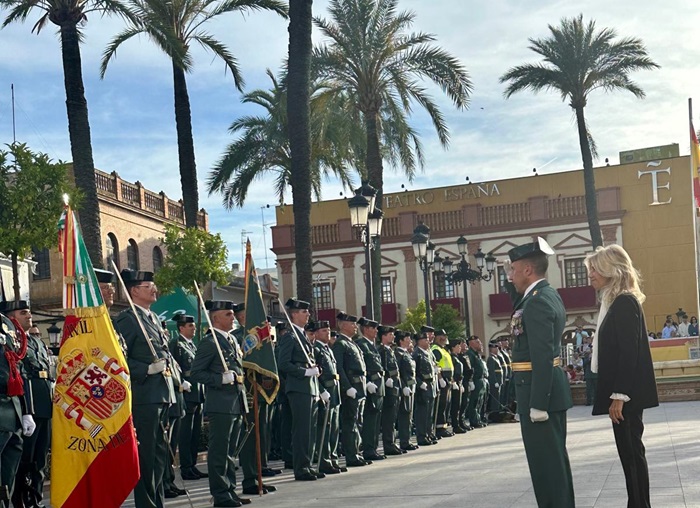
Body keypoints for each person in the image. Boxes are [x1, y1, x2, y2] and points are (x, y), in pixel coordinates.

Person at [586, 244, 658, 508]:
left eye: (594, 268)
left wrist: (619, 396)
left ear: (610, 270)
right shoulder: (613, 302)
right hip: (622, 394)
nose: (590, 274)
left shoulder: (624, 302)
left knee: (632, 454)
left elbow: (629, 352)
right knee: (629, 454)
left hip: (625, 396)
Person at [507, 237, 574, 508]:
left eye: (512, 269)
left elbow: (543, 356)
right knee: (553, 463)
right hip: (544, 390)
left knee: (546, 467)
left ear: (527, 270)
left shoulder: (536, 302)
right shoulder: (546, 294)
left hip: (538, 393)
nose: (509, 276)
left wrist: (537, 403)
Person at [115, 270, 177, 508]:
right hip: (144, 397)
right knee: (148, 456)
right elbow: (119, 359)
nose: (154, 289)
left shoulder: (151, 318)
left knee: (160, 457)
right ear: (134, 291)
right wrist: (145, 369)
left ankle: (157, 503)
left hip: (161, 395)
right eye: (148, 285)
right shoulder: (127, 320)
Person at [190, 300, 249, 507]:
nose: (233, 318)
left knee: (231, 453)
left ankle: (230, 490)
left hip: (235, 401)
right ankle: (220, 495)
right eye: (228, 314)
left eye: (232, 314)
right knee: (219, 452)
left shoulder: (230, 340)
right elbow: (196, 372)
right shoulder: (210, 342)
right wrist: (219, 379)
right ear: (215, 318)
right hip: (221, 404)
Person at [1, 302, 41, 508]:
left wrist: (26, 411)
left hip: (13, 411)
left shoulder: (6, 326)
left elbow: (17, 371)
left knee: (8, 478)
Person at [277, 298, 321, 481]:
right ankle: (300, 468)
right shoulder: (290, 337)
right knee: (301, 430)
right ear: (294, 314)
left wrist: (315, 371)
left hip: (309, 387)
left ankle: (307, 465)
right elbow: (283, 364)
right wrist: (304, 372)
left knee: (309, 430)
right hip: (298, 388)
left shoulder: (302, 335)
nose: (308, 314)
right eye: (304, 312)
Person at [168, 313, 206, 481]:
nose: (194, 328)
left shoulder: (193, 345)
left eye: (193, 325)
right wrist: (181, 382)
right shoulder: (175, 344)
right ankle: (185, 467)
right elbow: (173, 367)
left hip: (198, 393)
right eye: (190, 326)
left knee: (195, 433)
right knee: (186, 433)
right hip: (186, 394)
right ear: (181, 328)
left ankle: (192, 465)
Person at [332, 312, 369, 467]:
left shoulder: (352, 343)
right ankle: (351, 456)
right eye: (351, 323)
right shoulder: (340, 344)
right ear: (342, 325)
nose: (355, 327)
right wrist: (347, 387)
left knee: (357, 422)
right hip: (351, 387)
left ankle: (356, 452)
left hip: (359, 386)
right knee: (350, 423)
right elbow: (339, 367)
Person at [312, 321, 344, 474]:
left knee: (334, 428)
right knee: (325, 427)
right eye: (324, 330)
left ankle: (333, 458)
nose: (327, 333)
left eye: (329, 330)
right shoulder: (315, 349)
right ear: (316, 333)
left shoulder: (328, 349)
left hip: (334, 391)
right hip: (325, 392)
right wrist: (321, 390)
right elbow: (315, 374)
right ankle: (324, 460)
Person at [355, 317, 385, 461]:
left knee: (376, 420)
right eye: (373, 328)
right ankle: (368, 449)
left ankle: (373, 448)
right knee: (369, 420)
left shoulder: (371, 345)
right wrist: (366, 382)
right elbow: (360, 367)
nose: (376, 331)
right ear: (366, 329)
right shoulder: (361, 344)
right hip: (370, 385)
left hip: (378, 385)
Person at [377, 325, 403, 455]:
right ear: (383, 336)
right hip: (388, 387)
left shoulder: (390, 350)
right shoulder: (382, 350)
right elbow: (382, 367)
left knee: (393, 417)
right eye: (389, 334)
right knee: (388, 417)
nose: (392, 336)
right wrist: (387, 378)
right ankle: (388, 444)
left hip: (395, 386)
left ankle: (391, 442)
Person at [394, 331, 417, 451]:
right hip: (405, 388)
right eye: (407, 338)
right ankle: (404, 441)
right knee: (404, 415)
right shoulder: (398, 353)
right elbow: (398, 373)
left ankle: (407, 439)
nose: (410, 341)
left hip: (411, 387)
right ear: (401, 341)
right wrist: (403, 386)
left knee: (409, 415)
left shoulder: (407, 354)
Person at [412, 333, 437, 446]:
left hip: (430, 383)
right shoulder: (416, 354)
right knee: (422, 412)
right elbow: (413, 372)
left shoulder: (428, 353)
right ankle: (421, 436)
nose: (428, 341)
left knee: (429, 412)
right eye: (425, 339)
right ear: (419, 341)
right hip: (423, 385)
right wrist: (419, 383)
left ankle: (428, 433)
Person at [430, 329, 454, 438]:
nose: (445, 338)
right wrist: (440, 379)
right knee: (441, 405)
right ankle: (439, 428)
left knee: (446, 404)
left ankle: (443, 426)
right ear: (439, 337)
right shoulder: (435, 349)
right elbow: (437, 365)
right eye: (443, 336)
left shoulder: (443, 349)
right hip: (442, 379)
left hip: (447, 379)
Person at [465, 336, 486, 428]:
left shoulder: (477, 354)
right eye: (477, 342)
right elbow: (471, 369)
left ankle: (478, 419)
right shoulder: (470, 354)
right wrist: (471, 381)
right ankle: (474, 420)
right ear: (471, 343)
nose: (480, 344)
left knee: (479, 401)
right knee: (474, 402)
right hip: (475, 380)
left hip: (480, 380)